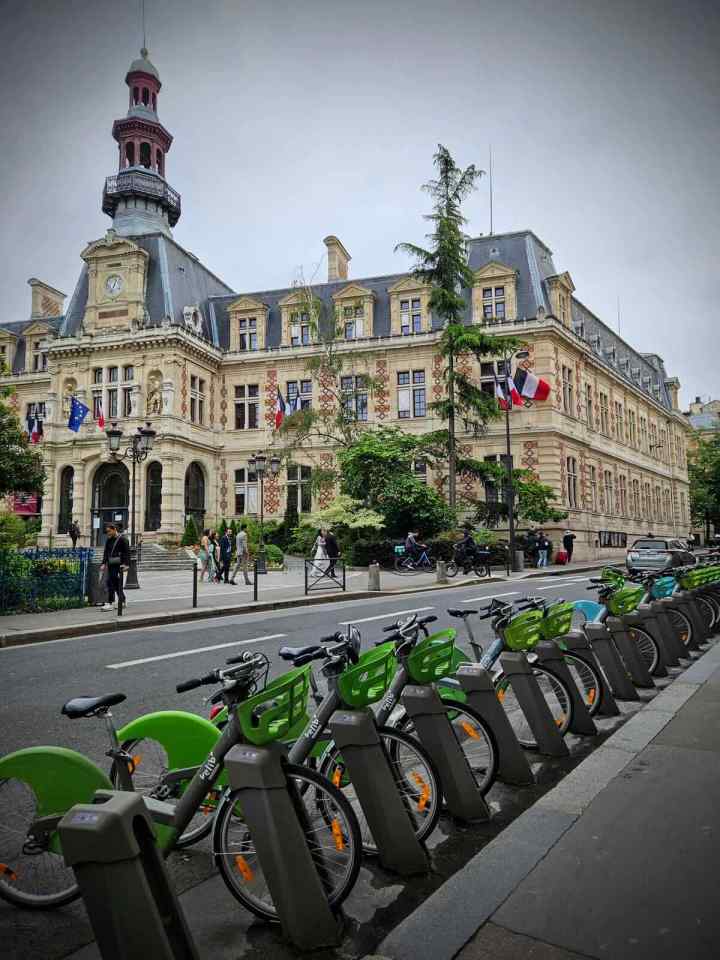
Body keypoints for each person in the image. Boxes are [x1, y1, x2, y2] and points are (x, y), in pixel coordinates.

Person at [100, 523, 130, 612]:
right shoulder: (109, 540)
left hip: (119, 564)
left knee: (110, 582)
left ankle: (110, 603)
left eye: (109, 531)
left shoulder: (122, 539)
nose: (108, 533)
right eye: (107, 531)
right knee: (115, 583)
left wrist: (126, 564)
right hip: (111, 563)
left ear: (114, 530)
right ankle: (122, 600)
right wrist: (103, 563)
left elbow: (127, 553)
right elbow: (106, 552)